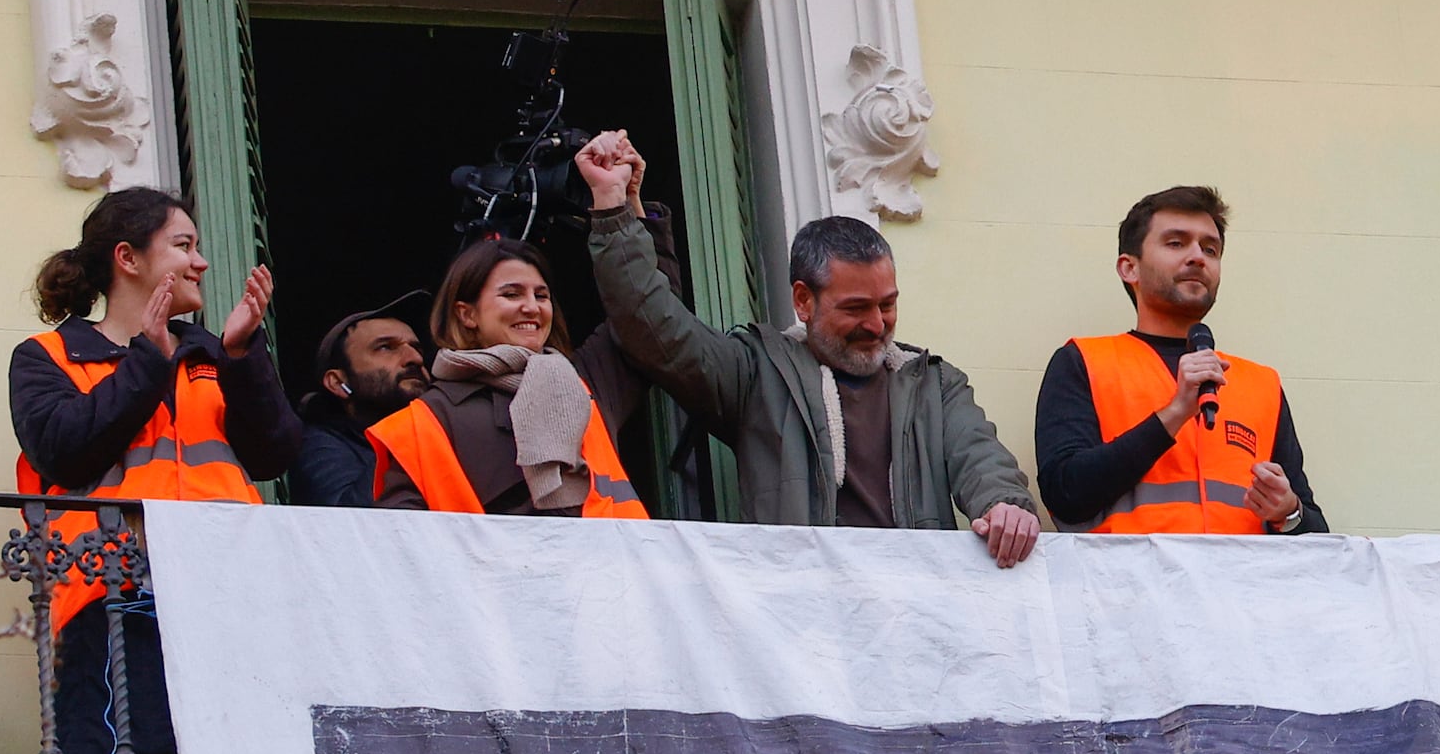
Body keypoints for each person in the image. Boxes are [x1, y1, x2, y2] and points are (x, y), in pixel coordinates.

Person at [572, 129, 1041, 564]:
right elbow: (655, 329)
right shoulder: (755, 372)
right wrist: (616, 208)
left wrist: (1005, 505)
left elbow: (981, 457)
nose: (877, 324)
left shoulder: (935, 384)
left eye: (888, 304)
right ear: (803, 300)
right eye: (856, 308)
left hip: (915, 619)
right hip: (800, 628)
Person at [6, 183, 303, 754]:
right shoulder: (49, 356)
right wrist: (149, 358)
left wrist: (245, 353)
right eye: (183, 245)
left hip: (229, 598)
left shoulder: (216, 355)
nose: (201, 262)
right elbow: (63, 449)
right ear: (129, 258)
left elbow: (275, 452)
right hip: (114, 604)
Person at [1037, 185, 1317, 536]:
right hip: (1124, 584)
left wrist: (1288, 512)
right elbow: (1064, 492)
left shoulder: (1261, 384)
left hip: (1238, 587)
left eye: (1210, 249)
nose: (1198, 257)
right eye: (1176, 243)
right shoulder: (1083, 361)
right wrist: (1174, 414)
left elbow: (1318, 535)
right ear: (1129, 268)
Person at [367, 239, 649, 519]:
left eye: (541, 296)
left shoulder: (587, 381)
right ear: (467, 314)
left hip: (610, 563)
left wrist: (620, 213)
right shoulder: (424, 421)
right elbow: (402, 541)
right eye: (512, 295)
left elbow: (646, 314)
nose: (532, 307)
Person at [289, 308, 423, 510]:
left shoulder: (447, 426)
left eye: (417, 348)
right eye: (386, 348)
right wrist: (404, 431)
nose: (415, 358)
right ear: (337, 382)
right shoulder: (320, 444)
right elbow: (347, 524)